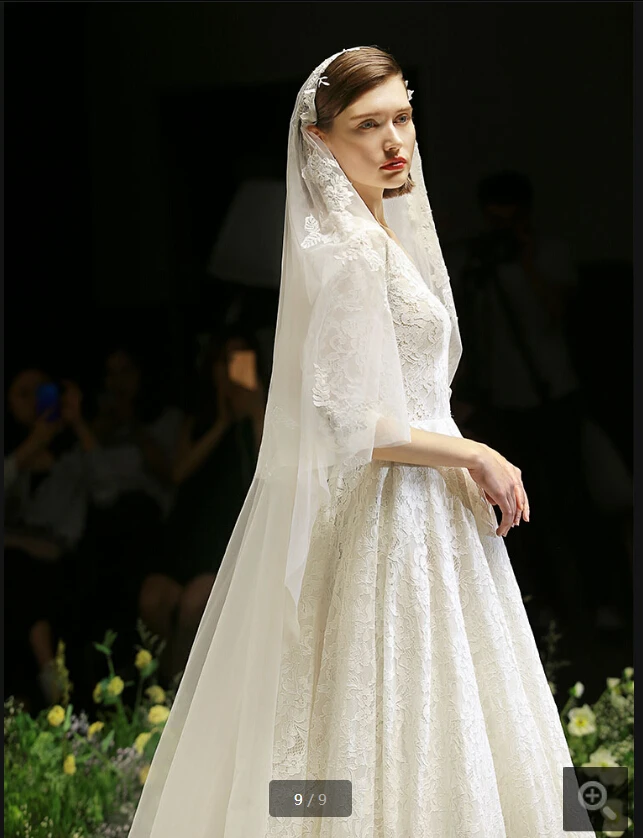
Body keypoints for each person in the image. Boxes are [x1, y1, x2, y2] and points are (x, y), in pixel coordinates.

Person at [129, 48, 596, 837]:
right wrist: (473, 453)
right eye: (366, 125)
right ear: (319, 140)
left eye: (401, 118)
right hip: (391, 511)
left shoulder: (383, 236)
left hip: (430, 515)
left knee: (446, 716)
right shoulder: (345, 251)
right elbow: (351, 424)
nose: (392, 141)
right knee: (388, 716)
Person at [443, 172, 623, 633]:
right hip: (502, 402)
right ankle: (541, 610)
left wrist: (523, 260)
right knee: (518, 511)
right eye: (494, 219)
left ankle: (602, 605)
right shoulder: (476, 260)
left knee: (574, 502)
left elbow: (557, 313)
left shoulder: (549, 252)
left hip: (553, 393)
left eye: (511, 219)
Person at [139, 328, 265, 679]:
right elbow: (178, 472)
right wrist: (222, 422)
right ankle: (163, 680)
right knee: (153, 598)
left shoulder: (262, 415)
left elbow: (265, 473)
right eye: (224, 360)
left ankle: (178, 687)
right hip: (189, 531)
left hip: (228, 536)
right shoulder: (200, 420)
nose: (231, 367)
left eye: (240, 358)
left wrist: (255, 411)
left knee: (195, 604)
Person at [4, 368, 110, 707]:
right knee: (15, 570)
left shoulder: (73, 455)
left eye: (41, 391)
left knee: (19, 570)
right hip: (16, 563)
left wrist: (76, 422)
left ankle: (54, 692)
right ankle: (48, 679)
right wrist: (33, 444)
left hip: (61, 564)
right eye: (23, 394)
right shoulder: (14, 457)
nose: (35, 401)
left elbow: (107, 491)